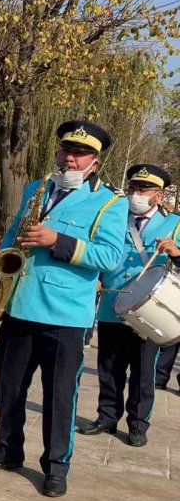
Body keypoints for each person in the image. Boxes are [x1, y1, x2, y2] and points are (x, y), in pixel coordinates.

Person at [0, 120, 127, 498]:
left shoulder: (110, 202)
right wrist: (3, 262)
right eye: (66, 149)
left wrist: (57, 240)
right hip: (20, 305)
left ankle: (56, 465)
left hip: (64, 315)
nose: (70, 158)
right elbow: (14, 232)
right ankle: (7, 449)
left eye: (80, 153)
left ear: (95, 161)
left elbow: (111, 257)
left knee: (59, 396)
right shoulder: (37, 188)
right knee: (9, 386)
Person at [77, 165, 180, 447]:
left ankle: (138, 424)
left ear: (158, 195)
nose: (136, 194)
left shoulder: (175, 224)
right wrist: (95, 278)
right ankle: (107, 417)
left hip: (149, 312)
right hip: (111, 305)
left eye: (143, 190)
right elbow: (99, 253)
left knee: (143, 373)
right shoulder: (113, 217)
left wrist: (176, 252)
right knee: (109, 368)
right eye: (133, 188)